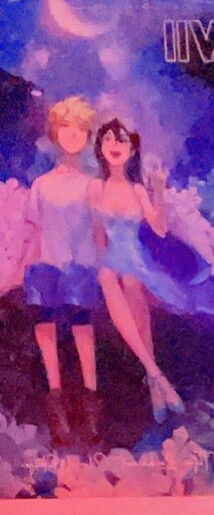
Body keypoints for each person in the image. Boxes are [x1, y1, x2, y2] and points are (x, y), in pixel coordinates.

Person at [19, 96, 104, 449]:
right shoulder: (41, 184)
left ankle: (90, 406)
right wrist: (23, 268)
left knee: (83, 329)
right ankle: (58, 411)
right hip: (46, 266)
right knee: (46, 331)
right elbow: (35, 229)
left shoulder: (92, 184)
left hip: (80, 266)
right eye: (65, 127)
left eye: (79, 129)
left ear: (87, 136)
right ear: (55, 133)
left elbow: (100, 233)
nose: (72, 135)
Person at [90, 117, 186, 422]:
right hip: (109, 260)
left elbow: (160, 229)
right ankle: (157, 376)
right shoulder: (96, 188)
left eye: (121, 140)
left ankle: (155, 382)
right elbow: (98, 236)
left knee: (133, 289)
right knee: (107, 276)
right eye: (108, 139)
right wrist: (98, 263)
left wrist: (158, 189)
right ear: (100, 148)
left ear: (132, 150)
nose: (114, 145)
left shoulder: (138, 191)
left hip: (135, 261)